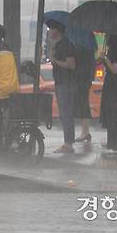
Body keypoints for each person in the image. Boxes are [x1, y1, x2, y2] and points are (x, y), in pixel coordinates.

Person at [47, 19, 77, 154]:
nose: (49, 31)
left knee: (66, 114)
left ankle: (68, 143)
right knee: (64, 113)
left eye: (51, 29)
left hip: (66, 83)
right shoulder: (59, 45)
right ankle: (68, 142)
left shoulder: (66, 45)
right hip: (61, 82)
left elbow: (71, 64)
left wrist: (56, 61)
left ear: (57, 30)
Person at [98, 35, 117, 153]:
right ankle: (115, 143)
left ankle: (115, 143)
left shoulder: (116, 51)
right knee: (116, 115)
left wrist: (105, 58)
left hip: (114, 86)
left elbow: (115, 69)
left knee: (114, 115)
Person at [74, 45, 96, 144]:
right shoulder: (89, 52)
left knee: (83, 105)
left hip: (82, 80)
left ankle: (85, 132)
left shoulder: (84, 52)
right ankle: (85, 131)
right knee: (83, 104)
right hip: (85, 79)